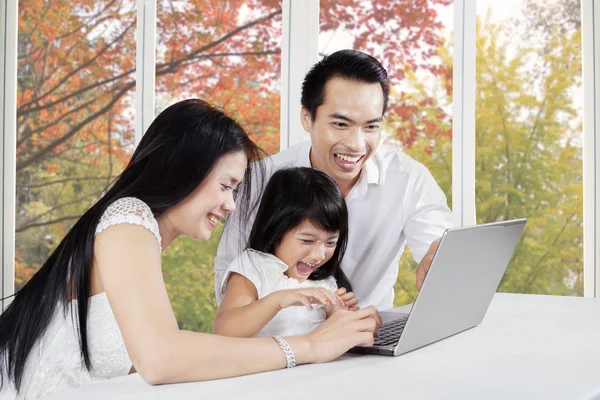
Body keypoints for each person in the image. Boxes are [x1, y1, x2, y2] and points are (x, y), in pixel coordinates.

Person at [0, 99, 381, 400]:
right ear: (184, 170)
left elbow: (144, 364)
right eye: (226, 185)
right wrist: (309, 347)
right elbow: (161, 359)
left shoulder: (137, 234)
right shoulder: (128, 219)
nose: (231, 206)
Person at [215, 49, 453, 310]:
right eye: (341, 125)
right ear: (307, 118)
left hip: (369, 334)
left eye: (371, 127)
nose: (356, 144)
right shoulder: (261, 181)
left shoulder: (408, 179)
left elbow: (442, 247)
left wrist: (443, 257)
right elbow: (228, 285)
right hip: (277, 340)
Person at [214, 167, 361, 339]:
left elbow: (327, 341)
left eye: (331, 243)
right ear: (276, 231)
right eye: (308, 241)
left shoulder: (324, 281)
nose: (320, 255)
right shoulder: (253, 267)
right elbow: (224, 330)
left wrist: (338, 314)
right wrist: (279, 300)